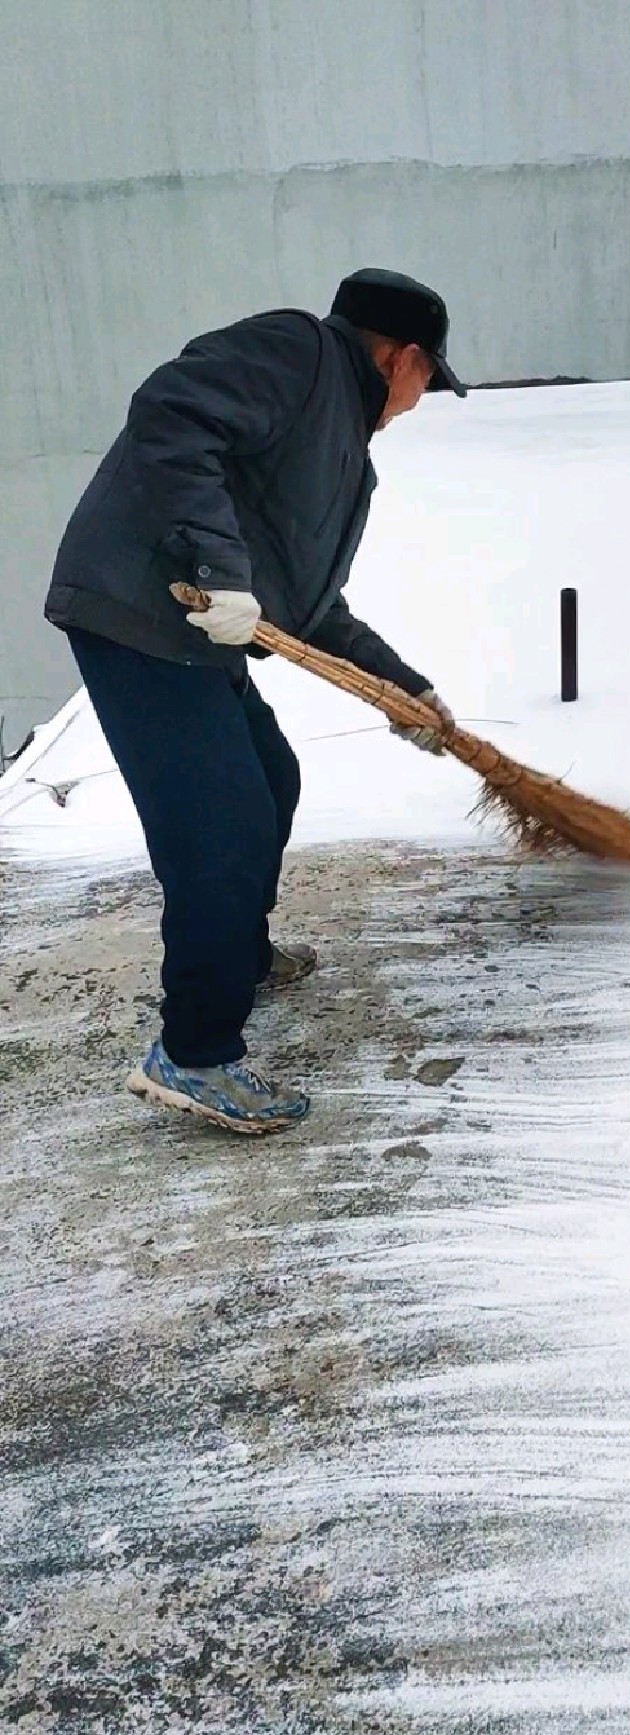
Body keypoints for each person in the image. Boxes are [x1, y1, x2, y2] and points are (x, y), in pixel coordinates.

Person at [44, 268, 467, 1134]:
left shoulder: (340, 450)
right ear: (405, 358)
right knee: (222, 829)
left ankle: (238, 954)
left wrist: (404, 688)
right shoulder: (297, 353)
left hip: (195, 633)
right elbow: (172, 412)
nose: (422, 399)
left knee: (269, 779)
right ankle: (195, 1053)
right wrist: (216, 573)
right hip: (142, 617)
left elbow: (313, 610)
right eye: (431, 379)